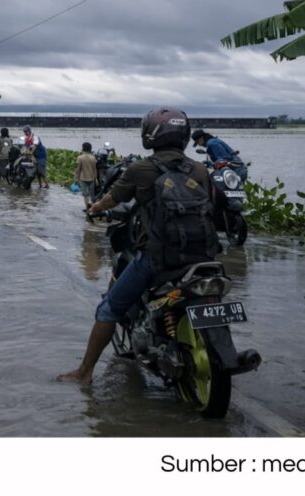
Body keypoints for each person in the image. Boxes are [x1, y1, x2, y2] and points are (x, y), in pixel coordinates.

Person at [58, 108, 211, 384]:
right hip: (202, 256)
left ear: (150, 135)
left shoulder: (141, 169)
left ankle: (84, 372)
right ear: (185, 136)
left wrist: (94, 208)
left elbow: (111, 199)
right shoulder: (199, 169)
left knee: (109, 308)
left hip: (157, 258)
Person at [75, 142, 98, 209]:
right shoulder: (93, 158)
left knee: (85, 195)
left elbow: (78, 169)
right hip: (91, 178)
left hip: (83, 178)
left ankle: (87, 207)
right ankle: (93, 208)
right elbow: (95, 169)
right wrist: (95, 179)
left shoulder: (80, 157)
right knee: (92, 195)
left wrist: (76, 178)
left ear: (83, 148)